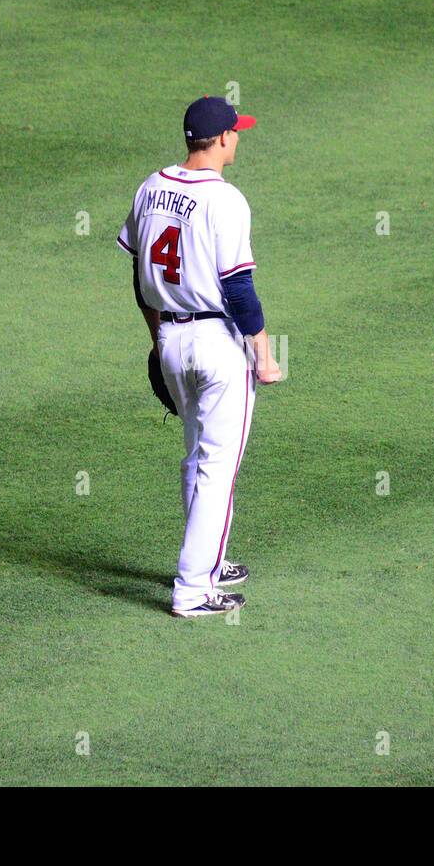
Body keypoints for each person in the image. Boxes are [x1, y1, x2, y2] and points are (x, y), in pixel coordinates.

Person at [116, 95, 282, 617]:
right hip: (217, 346)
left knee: (196, 455)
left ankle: (208, 560)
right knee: (217, 465)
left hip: (171, 338)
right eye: (238, 131)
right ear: (224, 138)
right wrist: (264, 353)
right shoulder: (225, 199)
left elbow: (140, 279)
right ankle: (193, 590)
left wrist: (158, 338)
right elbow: (238, 288)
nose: (240, 137)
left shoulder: (151, 186)